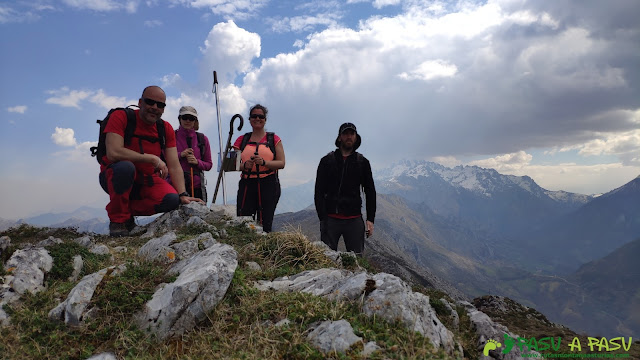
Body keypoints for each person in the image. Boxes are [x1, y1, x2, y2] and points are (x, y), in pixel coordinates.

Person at [99, 85, 203, 237]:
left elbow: (174, 165)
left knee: (172, 200)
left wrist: (182, 194)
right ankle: (118, 221)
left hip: (147, 179)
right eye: (150, 102)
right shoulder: (121, 117)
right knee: (126, 168)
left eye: (160, 105)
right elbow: (113, 153)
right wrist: (151, 158)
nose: (154, 107)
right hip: (115, 176)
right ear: (140, 102)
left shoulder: (164, 128)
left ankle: (126, 212)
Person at [314, 123, 376, 255]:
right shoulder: (326, 161)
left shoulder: (363, 163)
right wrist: (322, 217)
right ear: (339, 137)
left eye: (352, 134)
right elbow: (318, 191)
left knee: (356, 260)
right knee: (326, 259)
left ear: (356, 138)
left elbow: (370, 191)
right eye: (346, 134)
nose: (349, 136)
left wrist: (370, 219)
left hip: (354, 220)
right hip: (330, 219)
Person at [232, 104, 285, 232]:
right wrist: (244, 166)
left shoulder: (274, 139)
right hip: (247, 183)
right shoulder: (241, 140)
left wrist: (264, 162)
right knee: (244, 220)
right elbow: (231, 164)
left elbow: (281, 163)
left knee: (265, 222)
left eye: (260, 116)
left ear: (265, 119)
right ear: (249, 119)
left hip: (269, 183)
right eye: (254, 116)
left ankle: (263, 250)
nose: (257, 118)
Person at [173, 105, 213, 203]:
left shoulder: (202, 139)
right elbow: (164, 158)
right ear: (179, 119)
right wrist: (180, 155)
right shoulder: (172, 136)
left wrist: (197, 162)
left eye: (191, 118)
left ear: (195, 121)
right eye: (184, 117)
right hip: (175, 186)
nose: (188, 121)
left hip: (197, 187)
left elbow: (209, 165)